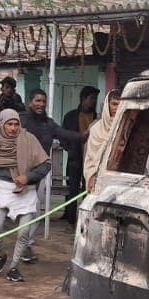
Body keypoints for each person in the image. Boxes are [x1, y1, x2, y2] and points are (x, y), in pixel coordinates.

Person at [0, 109, 49, 283]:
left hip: (26, 190)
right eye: (9, 124)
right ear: (2, 124)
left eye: (16, 124)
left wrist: (28, 177)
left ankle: (14, 267)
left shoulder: (29, 140)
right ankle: (1, 254)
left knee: (24, 232)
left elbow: (45, 165)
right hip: (3, 189)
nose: (13, 128)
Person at [19, 88, 83, 255]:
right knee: (18, 211)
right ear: (30, 102)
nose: (40, 104)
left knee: (34, 210)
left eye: (43, 101)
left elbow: (65, 134)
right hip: (19, 172)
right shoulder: (21, 121)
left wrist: (84, 136)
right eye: (37, 101)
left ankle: (26, 245)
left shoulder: (49, 124)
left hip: (39, 173)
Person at [59, 85, 100, 223]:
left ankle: (86, 217)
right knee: (72, 188)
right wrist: (69, 149)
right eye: (92, 98)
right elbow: (62, 136)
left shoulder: (97, 118)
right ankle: (70, 216)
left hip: (92, 160)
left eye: (95, 99)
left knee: (89, 188)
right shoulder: (70, 116)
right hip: (75, 158)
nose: (94, 102)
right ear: (83, 98)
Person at [82, 89, 121, 191]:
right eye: (114, 104)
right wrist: (91, 177)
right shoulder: (95, 129)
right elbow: (90, 158)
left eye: (121, 105)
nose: (117, 108)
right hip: (98, 181)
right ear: (107, 105)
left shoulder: (127, 128)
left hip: (120, 181)